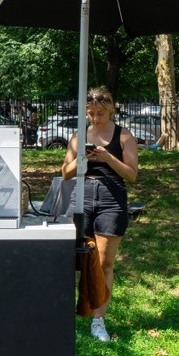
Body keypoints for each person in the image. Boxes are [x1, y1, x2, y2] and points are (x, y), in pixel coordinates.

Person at [62, 87, 138, 342]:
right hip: (81, 196)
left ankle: (98, 321)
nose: (96, 118)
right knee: (74, 261)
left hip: (111, 198)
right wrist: (80, 159)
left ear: (111, 110)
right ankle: (70, 314)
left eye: (101, 114)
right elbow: (65, 172)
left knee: (104, 262)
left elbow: (132, 175)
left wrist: (107, 158)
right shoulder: (78, 136)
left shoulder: (124, 136)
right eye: (92, 114)